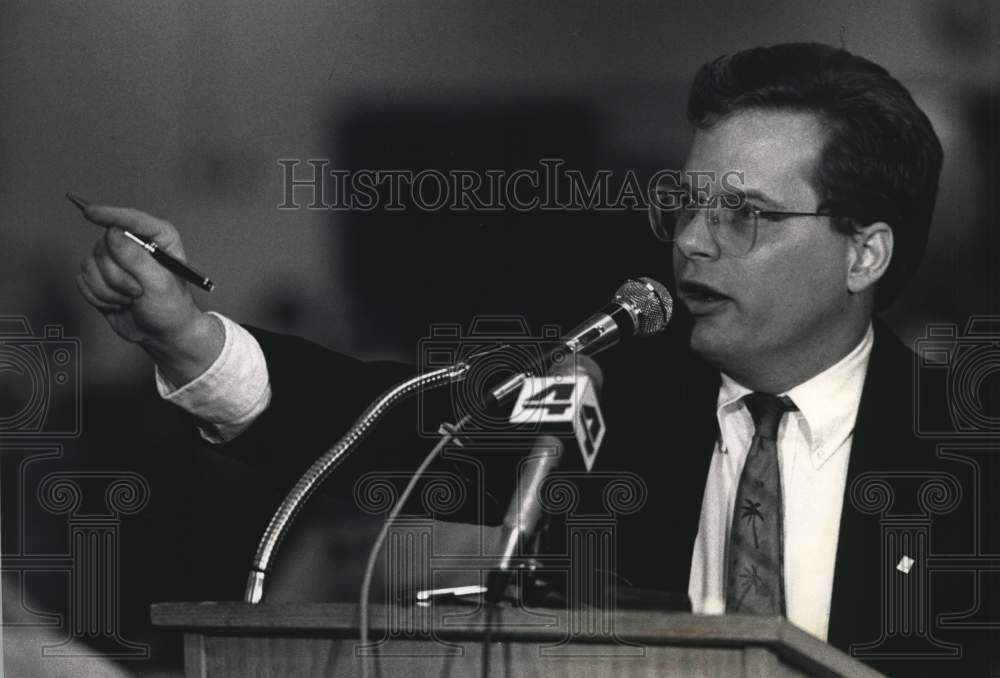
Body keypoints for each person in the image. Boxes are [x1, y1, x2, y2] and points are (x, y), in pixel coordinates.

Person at [75, 43, 996, 675]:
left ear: (864, 252)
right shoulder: (616, 404)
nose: (690, 245)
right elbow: (377, 420)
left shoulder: (967, 454)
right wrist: (187, 336)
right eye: (684, 205)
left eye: (743, 215)